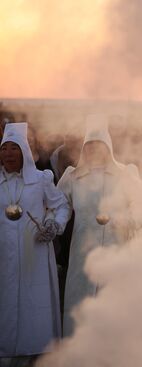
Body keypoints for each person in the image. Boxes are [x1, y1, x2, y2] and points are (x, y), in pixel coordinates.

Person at [57, 114, 141, 337]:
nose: (94, 149)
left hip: (117, 249)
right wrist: (55, 223)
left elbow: (141, 204)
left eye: (99, 144)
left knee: (115, 300)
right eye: (90, 144)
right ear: (84, 147)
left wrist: (128, 219)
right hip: (82, 252)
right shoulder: (72, 177)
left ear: (108, 146)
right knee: (81, 303)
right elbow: (60, 206)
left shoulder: (125, 173)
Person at [0, 123, 70, 365]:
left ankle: (36, 355)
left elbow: (61, 205)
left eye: (14, 148)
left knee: (34, 303)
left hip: (35, 254)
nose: (8, 154)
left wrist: (53, 225)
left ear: (24, 152)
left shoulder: (41, 180)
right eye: (4, 148)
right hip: (4, 255)